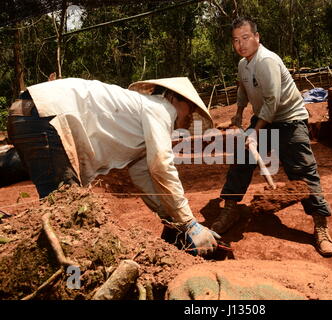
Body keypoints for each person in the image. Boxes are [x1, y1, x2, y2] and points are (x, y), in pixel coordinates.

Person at [7, 77, 220, 257]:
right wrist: (190, 223)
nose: (189, 114)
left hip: (27, 113)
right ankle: (71, 284)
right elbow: (161, 166)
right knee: (65, 216)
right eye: (189, 107)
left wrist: (171, 219)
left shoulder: (140, 113)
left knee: (53, 196)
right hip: (46, 115)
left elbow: (143, 176)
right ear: (174, 98)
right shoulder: (161, 109)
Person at [211, 17, 332, 257]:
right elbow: (243, 88)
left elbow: (272, 102)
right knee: (242, 160)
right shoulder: (243, 64)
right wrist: (238, 113)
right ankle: (230, 209)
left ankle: (321, 225)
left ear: (257, 37)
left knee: (303, 170)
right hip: (262, 118)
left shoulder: (266, 61)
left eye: (245, 38)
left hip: (289, 119)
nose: (241, 44)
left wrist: (254, 134)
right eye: (236, 40)